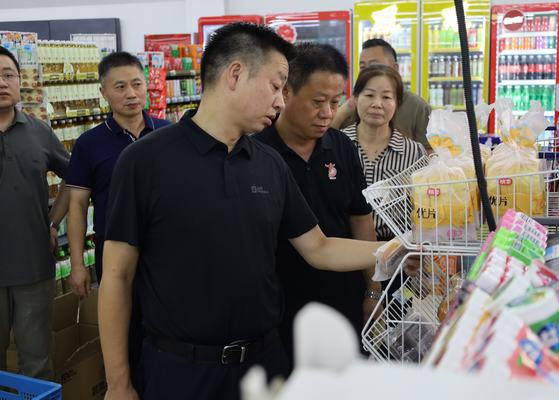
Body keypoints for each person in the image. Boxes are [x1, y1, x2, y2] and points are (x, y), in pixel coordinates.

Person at [99, 23, 390, 400]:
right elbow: (117, 276)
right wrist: (118, 383)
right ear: (235, 74)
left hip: (264, 362)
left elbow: (319, 248)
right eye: (275, 85)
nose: (280, 102)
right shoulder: (145, 161)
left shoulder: (268, 164)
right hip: (181, 370)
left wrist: (396, 249)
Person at [254, 43, 380, 366]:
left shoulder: (341, 147)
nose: (327, 113)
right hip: (280, 307)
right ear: (286, 92)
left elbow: (360, 220)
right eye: (318, 102)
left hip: (342, 298)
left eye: (335, 102)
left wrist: (373, 290)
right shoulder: (257, 153)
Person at [65, 51, 170, 390]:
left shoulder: (168, 134)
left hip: (165, 252)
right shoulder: (89, 144)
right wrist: (78, 264)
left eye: (137, 84)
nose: (131, 94)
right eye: (120, 87)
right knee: (122, 330)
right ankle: (123, 388)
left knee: (166, 325)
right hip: (112, 253)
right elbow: (77, 206)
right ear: (104, 93)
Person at [0, 46, 70, 379]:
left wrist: (53, 223)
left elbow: (75, 177)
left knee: (37, 362)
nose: (2, 82)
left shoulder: (39, 132)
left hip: (33, 266)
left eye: (8, 75)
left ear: (19, 81)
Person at [341, 64, 427, 241]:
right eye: (369, 95)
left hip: (397, 248)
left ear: (397, 103)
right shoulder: (338, 144)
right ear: (356, 99)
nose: (377, 104)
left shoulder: (414, 152)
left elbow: (424, 208)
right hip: (345, 245)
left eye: (386, 97)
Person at [331, 38, 432, 150]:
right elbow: (326, 137)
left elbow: (430, 149)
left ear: (395, 68)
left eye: (375, 65)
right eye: (363, 67)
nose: (369, 72)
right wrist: (345, 109)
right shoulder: (354, 104)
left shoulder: (417, 107)